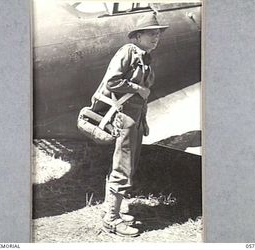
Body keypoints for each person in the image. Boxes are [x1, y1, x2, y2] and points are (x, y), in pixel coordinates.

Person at [91, 12, 168, 237]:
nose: (156, 38)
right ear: (137, 36)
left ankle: (112, 210)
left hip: (134, 121)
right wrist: (138, 89)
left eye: (158, 34)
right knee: (122, 168)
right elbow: (113, 82)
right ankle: (112, 220)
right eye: (151, 34)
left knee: (128, 167)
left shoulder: (144, 56)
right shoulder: (127, 52)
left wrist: (143, 121)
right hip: (124, 119)